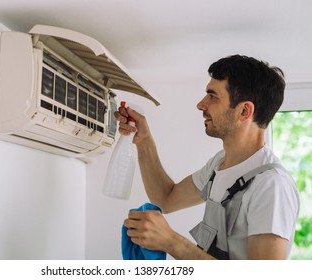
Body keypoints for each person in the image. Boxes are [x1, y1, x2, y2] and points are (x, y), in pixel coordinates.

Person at [117, 55, 300, 260]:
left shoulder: (271, 185)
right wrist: (144, 142)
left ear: (244, 111)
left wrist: (171, 241)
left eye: (213, 96)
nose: (200, 105)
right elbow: (165, 199)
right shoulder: (220, 163)